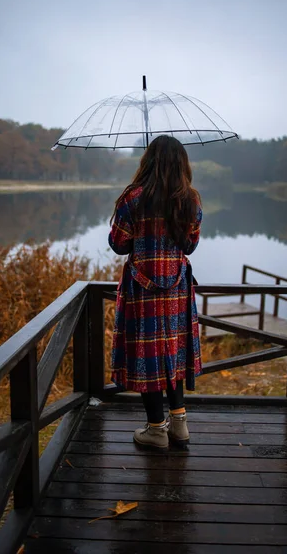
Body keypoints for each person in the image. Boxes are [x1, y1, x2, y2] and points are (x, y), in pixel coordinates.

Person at [108, 134, 202, 451]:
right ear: (182, 165)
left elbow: (119, 244)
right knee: (172, 352)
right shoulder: (191, 200)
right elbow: (190, 244)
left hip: (143, 289)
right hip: (177, 288)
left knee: (149, 354)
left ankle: (156, 430)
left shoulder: (132, 198)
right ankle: (180, 425)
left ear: (147, 162)